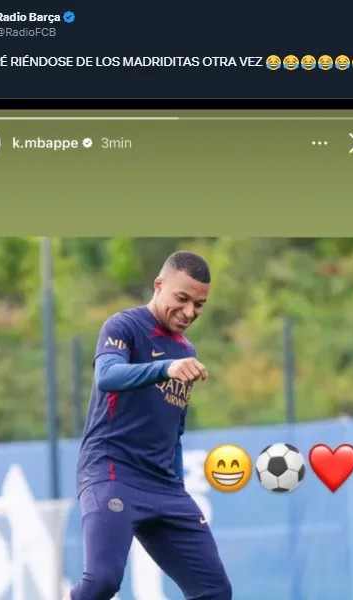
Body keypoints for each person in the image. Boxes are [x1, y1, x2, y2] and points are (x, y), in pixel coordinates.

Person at [66, 251, 232, 600]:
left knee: (214, 591)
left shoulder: (186, 350)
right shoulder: (123, 326)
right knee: (101, 582)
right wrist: (165, 368)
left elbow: (175, 432)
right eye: (182, 298)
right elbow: (107, 376)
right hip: (113, 473)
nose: (189, 312)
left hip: (165, 486)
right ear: (159, 285)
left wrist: (178, 488)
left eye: (199, 305)